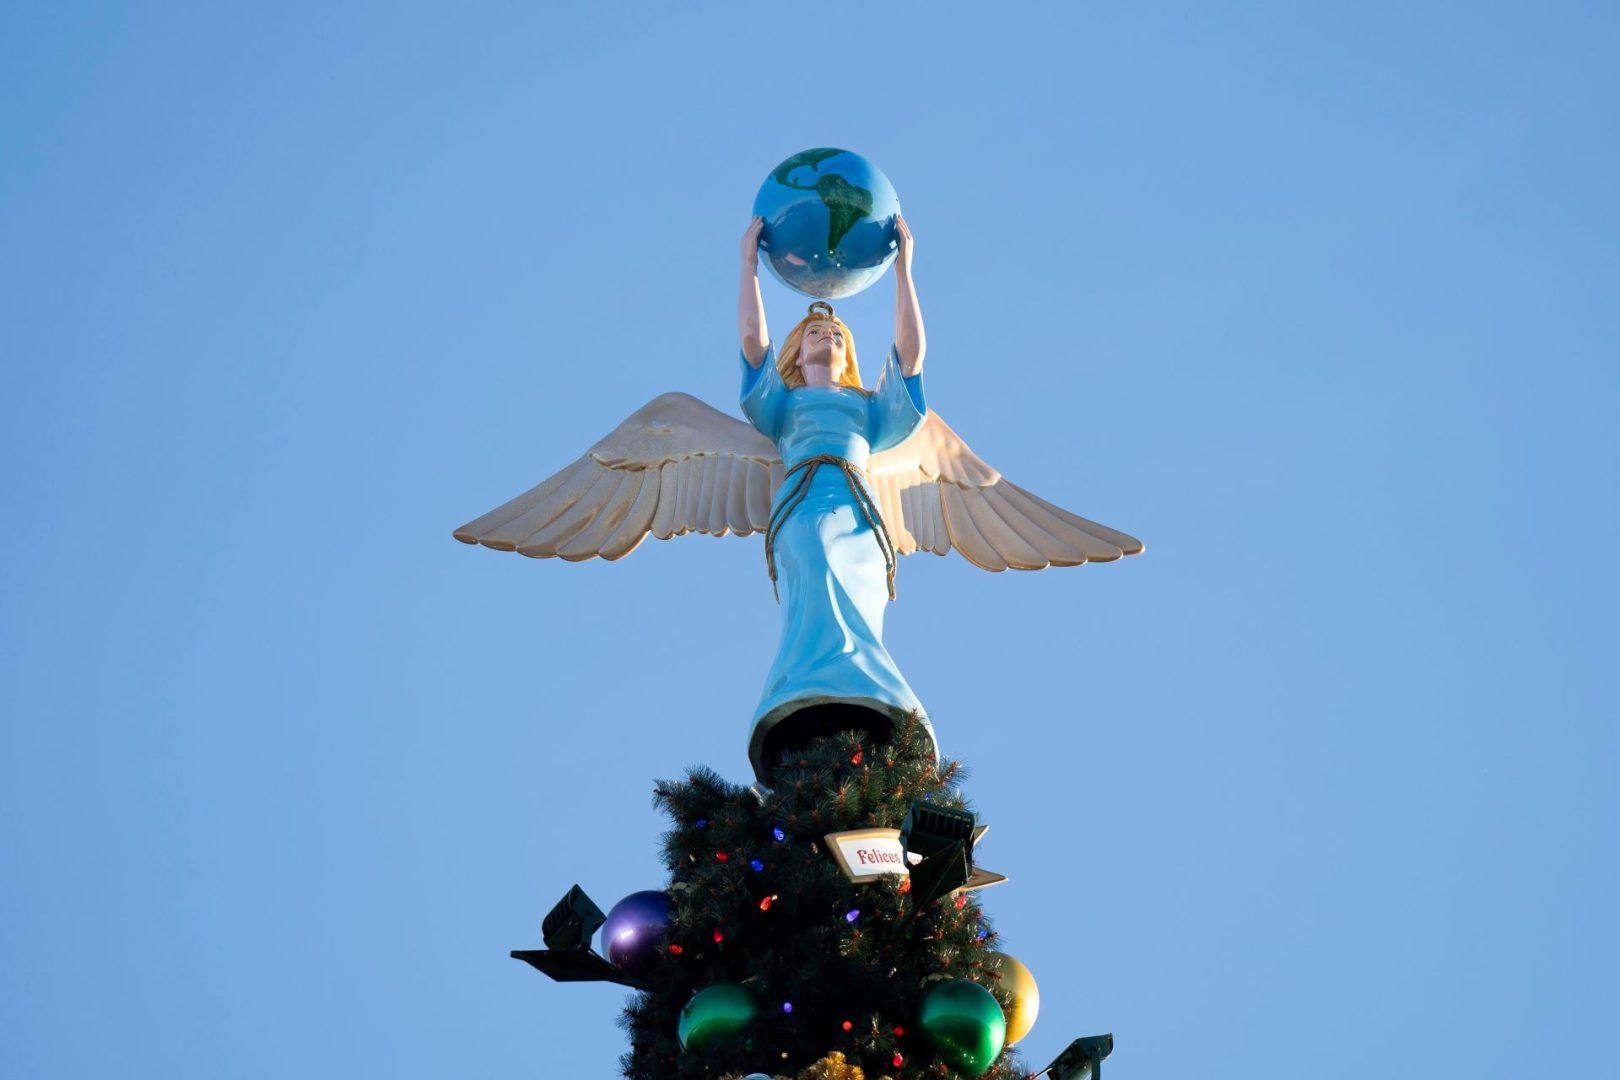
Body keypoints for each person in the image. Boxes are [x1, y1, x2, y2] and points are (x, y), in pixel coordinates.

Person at [738, 215, 940, 784]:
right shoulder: (784, 407)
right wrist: (748, 266)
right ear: (797, 353)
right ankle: (801, 690)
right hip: (805, 511)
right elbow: (753, 344)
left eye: (836, 334)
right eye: (813, 334)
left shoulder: (870, 408)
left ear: (848, 352)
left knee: (861, 597)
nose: (826, 335)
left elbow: (911, 356)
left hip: (861, 516)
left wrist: (904, 270)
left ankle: (874, 695)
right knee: (817, 565)